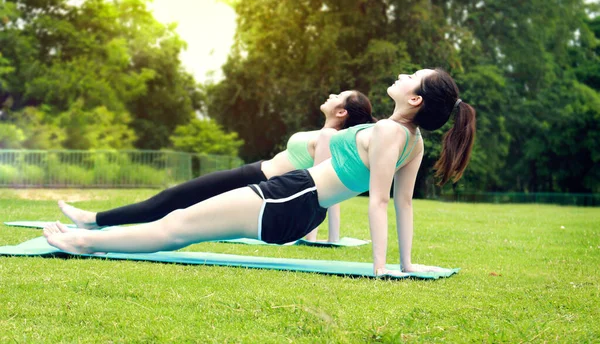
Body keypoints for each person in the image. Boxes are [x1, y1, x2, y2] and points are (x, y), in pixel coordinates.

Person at [45, 68, 476, 276]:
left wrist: (381, 268)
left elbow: (383, 201)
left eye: (412, 76)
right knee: (177, 223)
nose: (402, 75)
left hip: (293, 197)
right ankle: (88, 237)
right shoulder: (412, 141)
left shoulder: (388, 131)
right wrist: (403, 265)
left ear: (416, 99)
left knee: (176, 226)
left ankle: (84, 241)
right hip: (299, 202)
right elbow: (404, 204)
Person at [57, 90, 376, 243]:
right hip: (256, 174)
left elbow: (319, 189)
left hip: (257, 180)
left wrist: (317, 239)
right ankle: (97, 223)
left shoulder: (327, 137)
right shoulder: (328, 135)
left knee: (172, 200)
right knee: (174, 202)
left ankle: (94, 222)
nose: (332, 94)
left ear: (343, 112)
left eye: (339, 96)